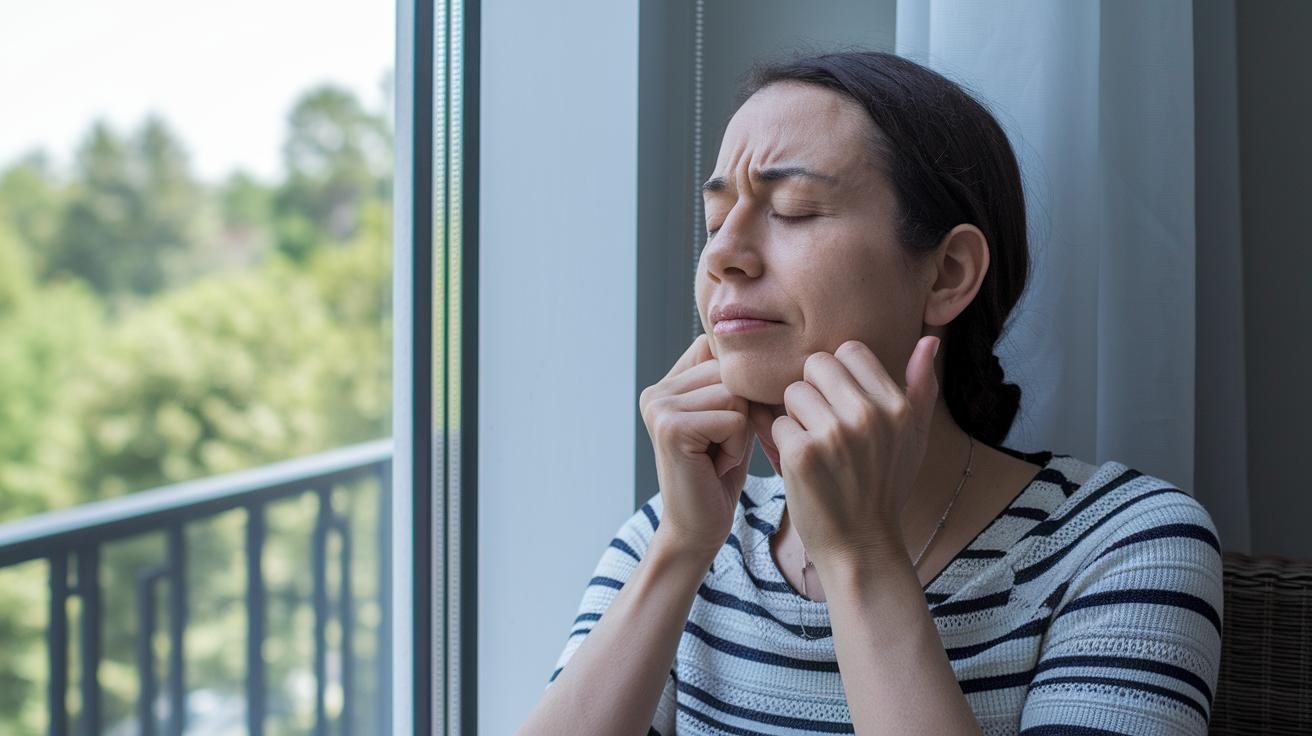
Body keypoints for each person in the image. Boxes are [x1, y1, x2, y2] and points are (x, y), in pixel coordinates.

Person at [519, 50, 1222, 735]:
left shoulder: (1125, 545)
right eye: (713, 220)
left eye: (792, 209)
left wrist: (861, 554)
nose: (721, 254)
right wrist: (680, 548)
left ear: (947, 273)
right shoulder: (671, 532)